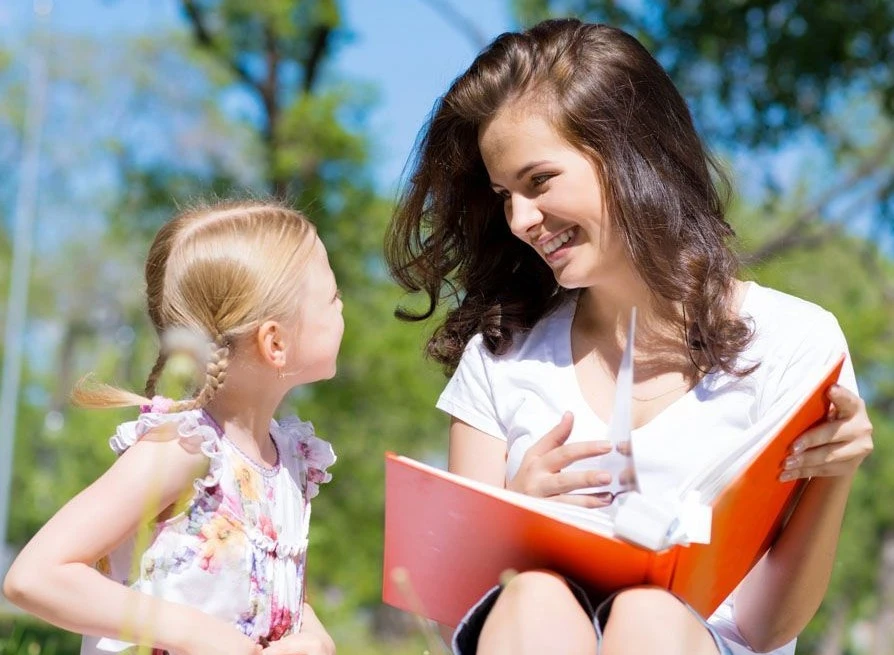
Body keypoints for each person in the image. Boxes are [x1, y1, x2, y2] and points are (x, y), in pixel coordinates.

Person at [385, 18, 873, 655]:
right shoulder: (499, 357)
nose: (521, 220)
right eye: (504, 195)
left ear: (629, 153)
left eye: (540, 182)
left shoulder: (796, 340)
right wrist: (515, 517)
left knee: (651, 618)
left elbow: (764, 627)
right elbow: (461, 612)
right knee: (532, 598)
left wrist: (834, 474)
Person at [3, 200, 344, 655]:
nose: (343, 307)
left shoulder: (289, 460)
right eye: (333, 296)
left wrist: (314, 641)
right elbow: (36, 576)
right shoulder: (184, 447)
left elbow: (276, 584)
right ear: (275, 341)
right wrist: (196, 634)